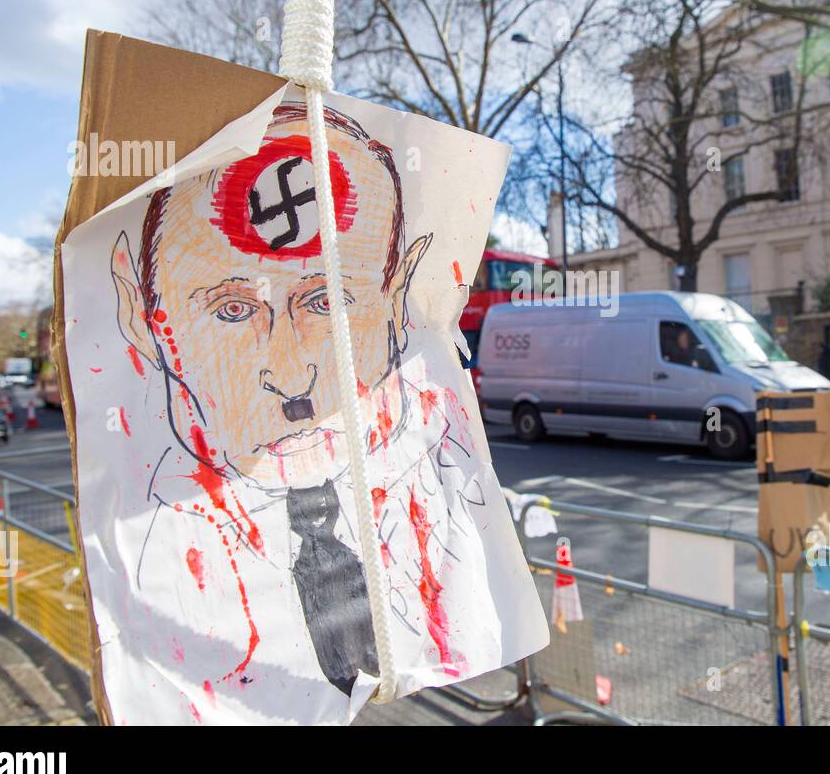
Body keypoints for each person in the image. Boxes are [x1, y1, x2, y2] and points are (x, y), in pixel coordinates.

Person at [102, 100, 543, 723]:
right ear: (141, 317)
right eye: (232, 310)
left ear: (398, 299)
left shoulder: (455, 515)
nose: (290, 375)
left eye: (329, 303)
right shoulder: (148, 568)